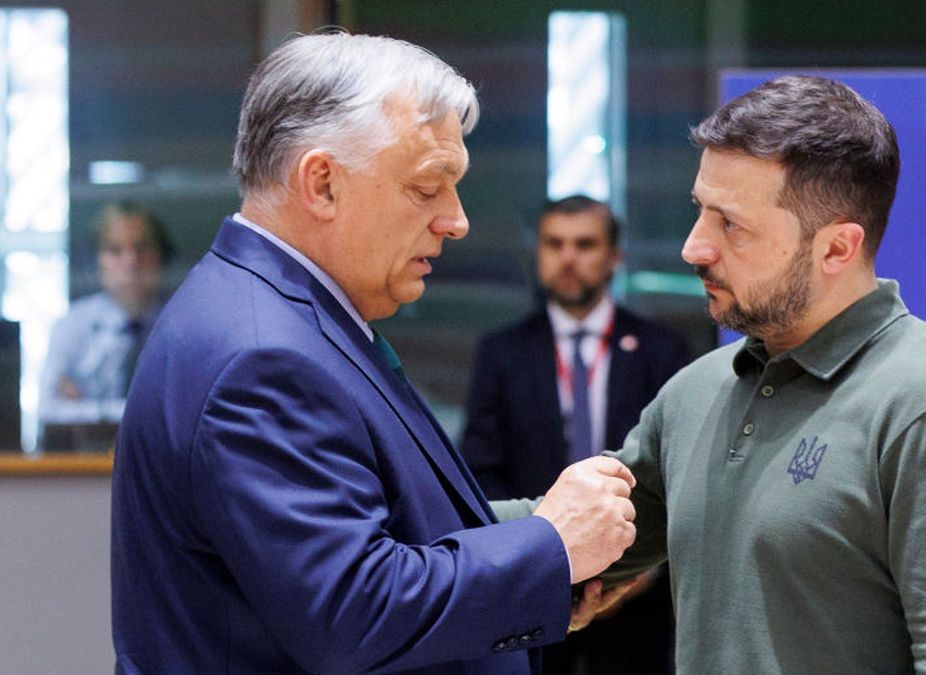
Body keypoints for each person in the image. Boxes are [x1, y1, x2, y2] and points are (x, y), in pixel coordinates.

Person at [110, 32, 638, 675]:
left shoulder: (286, 314)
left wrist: (545, 541)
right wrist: (550, 547)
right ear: (323, 182)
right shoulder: (262, 356)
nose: (456, 219)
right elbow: (353, 613)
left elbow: (386, 520)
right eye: (428, 187)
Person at [501, 75, 926, 673]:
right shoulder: (695, 392)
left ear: (836, 248)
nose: (694, 247)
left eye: (731, 224)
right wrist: (399, 517)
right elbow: (566, 531)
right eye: (699, 210)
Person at [461, 195, 690, 674]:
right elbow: (482, 471)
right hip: (537, 589)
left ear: (613, 257)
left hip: (640, 599)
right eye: (554, 244)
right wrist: (535, 562)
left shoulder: (663, 350)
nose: (568, 258)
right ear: (538, 254)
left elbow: (680, 469)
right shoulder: (502, 353)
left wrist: (639, 568)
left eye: (585, 244)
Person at [38, 201, 172, 447]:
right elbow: (47, 410)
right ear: (98, 260)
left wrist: (86, 409)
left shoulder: (182, 326)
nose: (131, 261)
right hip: (86, 469)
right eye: (115, 250)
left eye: (142, 248)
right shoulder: (72, 326)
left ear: (160, 255)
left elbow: (189, 412)